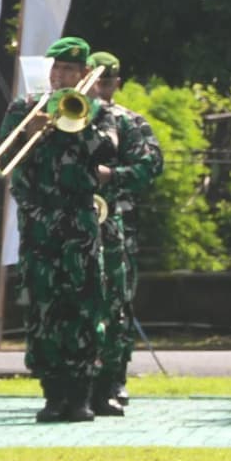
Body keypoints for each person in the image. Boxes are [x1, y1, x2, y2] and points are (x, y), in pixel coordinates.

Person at [0, 36, 112, 422]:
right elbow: (5, 161)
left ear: (83, 74)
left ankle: (80, 395)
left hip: (79, 223)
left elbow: (107, 153)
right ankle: (52, 393)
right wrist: (31, 134)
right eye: (58, 69)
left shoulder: (95, 110)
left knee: (82, 306)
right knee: (43, 308)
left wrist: (77, 123)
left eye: (70, 70)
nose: (62, 76)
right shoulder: (24, 109)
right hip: (39, 224)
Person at [88, 51, 161, 417]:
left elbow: (151, 165)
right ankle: (79, 381)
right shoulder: (64, 115)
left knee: (116, 305)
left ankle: (113, 380)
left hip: (116, 225)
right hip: (72, 225)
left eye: (104, 81)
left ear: (116, 83)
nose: (97, 88)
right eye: (93, 79)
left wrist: (111, 176)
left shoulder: (130, 122)